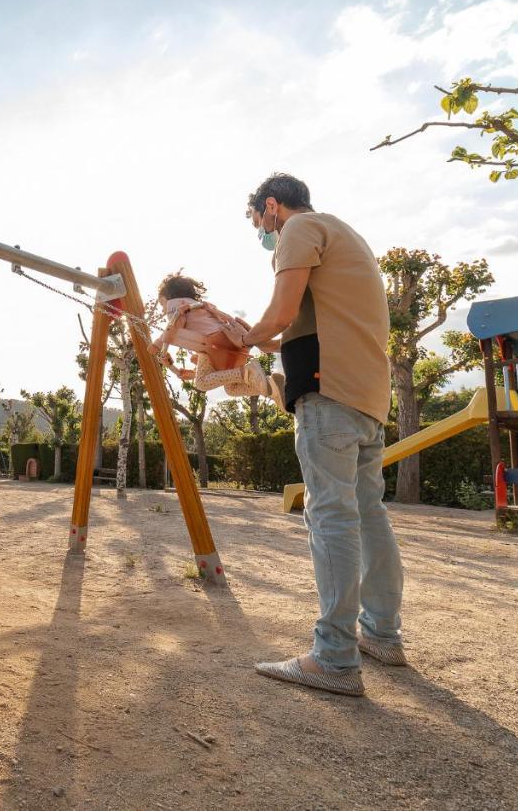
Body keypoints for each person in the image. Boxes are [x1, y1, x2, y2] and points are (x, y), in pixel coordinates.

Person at [233, 173, 403, 697]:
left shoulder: (298, 230)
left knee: (330, 513)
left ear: (271, 206)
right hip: (367, 394)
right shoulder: (343, 234)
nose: (262, 233)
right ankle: (382, 635)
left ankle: (333, 657)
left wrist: (238, 336)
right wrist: (263, 348)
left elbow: (279, 314)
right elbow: (299, 324)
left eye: (259, 222)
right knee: (368, 512)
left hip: (328, 394)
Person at [148, 271, 283, 406]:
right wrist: (188, 371)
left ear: (168, 297)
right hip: (230, 342)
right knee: (231, 388)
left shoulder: (176, 306)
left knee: (201, 383)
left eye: (162, 305)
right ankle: (273, 389)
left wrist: (157, 345)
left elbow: (172, 329)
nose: (162, 310)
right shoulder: (201, 306)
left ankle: (248, 372)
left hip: (213, 344)